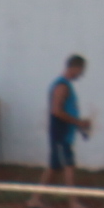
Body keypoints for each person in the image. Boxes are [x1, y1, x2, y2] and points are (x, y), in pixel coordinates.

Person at [43, 54, 92, 187]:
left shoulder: (65, 85)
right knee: (67, 166)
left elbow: (65, 111)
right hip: (61, 133)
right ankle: (72, 198)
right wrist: (78, 122)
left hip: (63, 133)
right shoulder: (62, 86)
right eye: (81, 70)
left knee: (56, 167)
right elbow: (57, 111)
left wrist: (79, 123)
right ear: (75, 68)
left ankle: (36, 197)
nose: (81, 74)